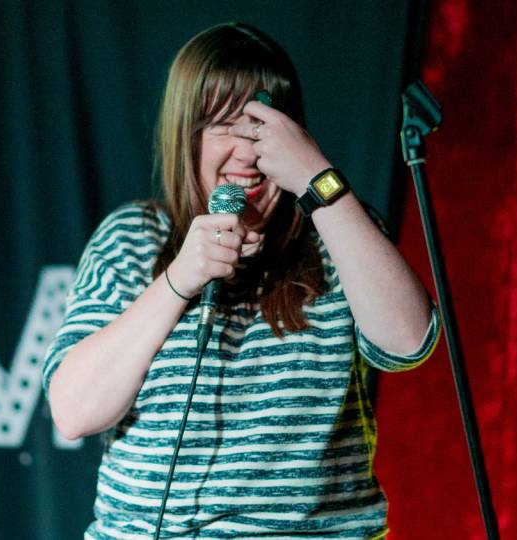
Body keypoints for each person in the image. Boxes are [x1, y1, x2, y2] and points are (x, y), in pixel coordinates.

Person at [43, 22, 440, 539]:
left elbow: (409, 343)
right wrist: (178, 281)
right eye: (224, 126)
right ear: (186, 135)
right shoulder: (134, 238)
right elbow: (74, 412)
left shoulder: (339, 231)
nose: (247, 154)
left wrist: (320, 183)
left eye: (261, 128)